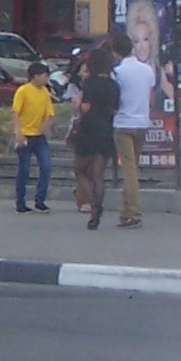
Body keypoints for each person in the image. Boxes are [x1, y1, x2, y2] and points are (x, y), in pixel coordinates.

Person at [69, 42, 119, 229]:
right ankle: (98, 203)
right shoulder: (114, 85)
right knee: (98, 174)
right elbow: (115, 110)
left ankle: (94, 205)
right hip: (106, 129)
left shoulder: (90, 83)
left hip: (89, 128)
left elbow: (86, 107)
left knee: (80, 170)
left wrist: (77, 104)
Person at [110, 29, 155, 228]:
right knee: (132, 167)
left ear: (115, 52)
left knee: (128, 170)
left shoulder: (118, 73)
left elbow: (114, 98)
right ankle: (125, 211)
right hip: (142, 122)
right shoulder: (147, 70)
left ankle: (134, 211)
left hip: (123, 122)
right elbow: (150, 95)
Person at [10, 60, 55, 213]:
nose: (46, 78)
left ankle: (40, 200)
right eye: (44, 75)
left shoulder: (44, 92)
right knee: (24, 169)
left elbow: (49, 113)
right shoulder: (23, 91)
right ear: (35, 76)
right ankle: (20, 202)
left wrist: (45, 125)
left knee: (46, 166)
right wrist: (18, 132)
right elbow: (16, 112)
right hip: (26, 134)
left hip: (39, 136)